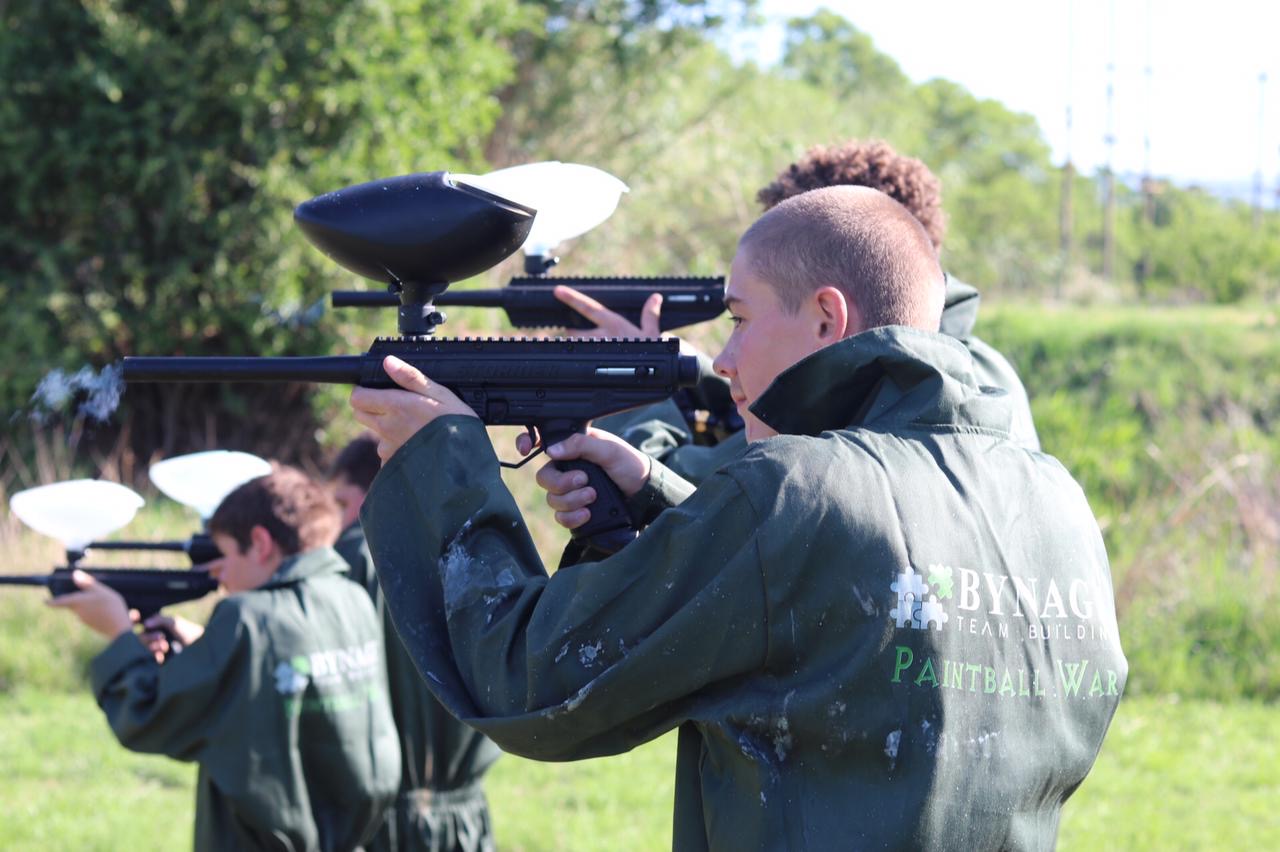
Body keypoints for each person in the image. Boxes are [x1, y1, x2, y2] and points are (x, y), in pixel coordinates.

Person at [348, 186, 1126, 850]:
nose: (722, 360)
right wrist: (655, 496)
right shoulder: (1055, 499)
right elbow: (847, 615)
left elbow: (530, 679)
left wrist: (441, 462)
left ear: (827, 317)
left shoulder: (795, 486)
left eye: (740, 320)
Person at [560, 139, 1039, 486]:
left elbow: (691, 484)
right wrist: (701, 370)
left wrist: (641, 388)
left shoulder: (864, 401)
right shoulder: (984, 368)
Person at [51, 465, 401, 851]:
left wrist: (118, 632)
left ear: (260, 542)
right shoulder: (351, 598)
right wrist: (207, 645)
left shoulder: (248, 619)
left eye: (228, 555)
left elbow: (147, 713)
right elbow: (290, 677)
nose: (222, 576)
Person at [329, 435, 503, 852]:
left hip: (379, 826)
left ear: (377, 489)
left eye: (341, 503)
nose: (337, 519)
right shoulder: (478, 549)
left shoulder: (349, 561)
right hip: (465, 817)